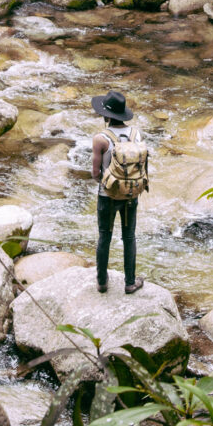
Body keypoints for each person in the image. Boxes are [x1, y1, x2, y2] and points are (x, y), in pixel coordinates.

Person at [90, 90, 149, 295]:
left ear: (107, 115)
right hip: (131, 196)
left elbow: (95, 173)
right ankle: (130, 282)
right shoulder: (136, 134)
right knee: (129, 236)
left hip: (107, 196)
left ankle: (102, 282)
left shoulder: (101, 139)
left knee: (104, 236)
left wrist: (109, 183)